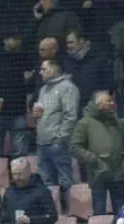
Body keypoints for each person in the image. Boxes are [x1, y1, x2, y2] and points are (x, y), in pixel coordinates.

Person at [70, 91, 124, 214]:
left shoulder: (117, 122)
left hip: (118, 170)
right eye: (108, 101)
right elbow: (74, 146)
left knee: (121, 210)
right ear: (99, 104)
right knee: (99, 208)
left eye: (112, 100)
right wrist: (92, 158)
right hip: (97, 171)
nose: (112, 103)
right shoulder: (85, 123)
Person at [34, 58, 80, 212]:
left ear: (53, 69)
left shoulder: (68, 88)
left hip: (58, 144)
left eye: (43, 69)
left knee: (65, 181)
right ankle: (50, 213)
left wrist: (60, 138)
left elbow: (70, 116)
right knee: (45, 182)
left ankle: (69, 212)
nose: (40, 72)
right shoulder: (43, 90)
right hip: (42, 143)